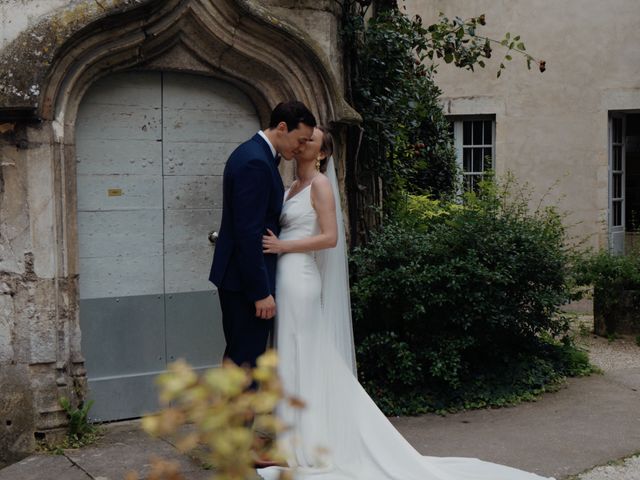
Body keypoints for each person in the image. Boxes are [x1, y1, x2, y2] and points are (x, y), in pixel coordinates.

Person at [258, 126, 554, 480]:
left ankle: (307, 448)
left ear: (322, 154)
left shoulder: (321, 185)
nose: (304, 142)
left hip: (301, 278)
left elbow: (330, 238)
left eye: (312, 140)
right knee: (293, 358)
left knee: (303, 355)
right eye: (303, 138)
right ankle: (293, 440)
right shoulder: (292, 187)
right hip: (285, 278)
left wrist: (283, 247)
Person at [209, 101, 316, 369]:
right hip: (245, 284)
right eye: (300, 140)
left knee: (239, 356)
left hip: (240, 279)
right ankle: (240, 412)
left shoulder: (256, 155)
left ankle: (229, 411)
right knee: (247, 361)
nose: (302, 148)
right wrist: (260, 292)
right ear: (282, 127)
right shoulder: (255, 162)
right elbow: (248, 232)